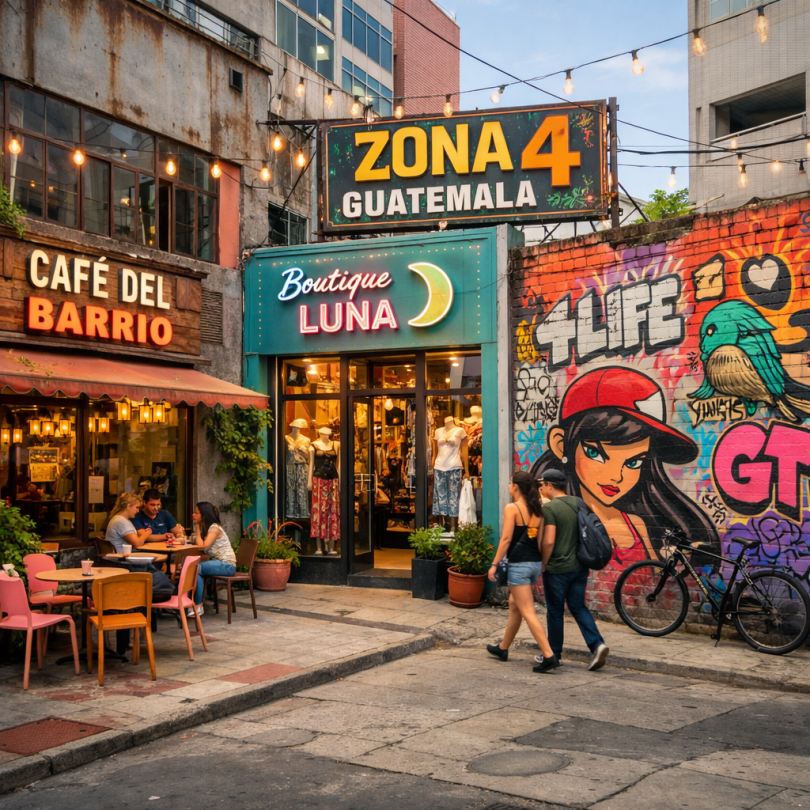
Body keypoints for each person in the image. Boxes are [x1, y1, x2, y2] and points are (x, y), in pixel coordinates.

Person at [531, 367, 719, 565]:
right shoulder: (556, 514)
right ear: (561, 445)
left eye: (633, 462)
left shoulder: (637, 525)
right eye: (595, 453)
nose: (616, 477)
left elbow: (655, 578)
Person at [486, 471, 559, 673]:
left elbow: (506, 539)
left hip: (519, 565)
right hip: (534, 564)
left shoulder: (513, 508)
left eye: (510, 483)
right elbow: (541, 540)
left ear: (516, 487)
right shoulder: (538, 509)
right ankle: (503, 648)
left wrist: (494, 564)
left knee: (527, 610)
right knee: (514, 605)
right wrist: (542, 563)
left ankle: (549, 655)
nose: (509, 486)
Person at [538, 468, 609, 672]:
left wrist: (544, 562)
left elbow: (549, 541)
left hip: (558, 568)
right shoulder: (579, 502)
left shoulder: (550, 509)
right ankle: (597, 644)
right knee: (578, 607)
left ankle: (554, 654)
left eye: (542, 485)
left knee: (555, 612)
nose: (541, 489)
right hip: (580, 566)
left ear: (550, 486)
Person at [102, 492, 175, 655]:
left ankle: (140, 627)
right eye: (136, 507)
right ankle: (144, 620)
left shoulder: (117, 520)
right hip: (125, 567)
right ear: (128, 506)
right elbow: (138, 542)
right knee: (154, 578)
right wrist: (147, 532)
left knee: (154, 572)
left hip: (119, 565)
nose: (137, 511)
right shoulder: (122, 522)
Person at [190, 502, 236, 617]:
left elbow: (203, 545)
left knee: (196, 567)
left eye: (196, 513)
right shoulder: (208, 528)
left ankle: (198, 605)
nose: (193, 515)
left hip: (227, 565)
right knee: (194, 568)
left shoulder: (214, 529)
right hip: (219, 563)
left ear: (204, 515)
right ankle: (194, 604)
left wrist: (196, 527)